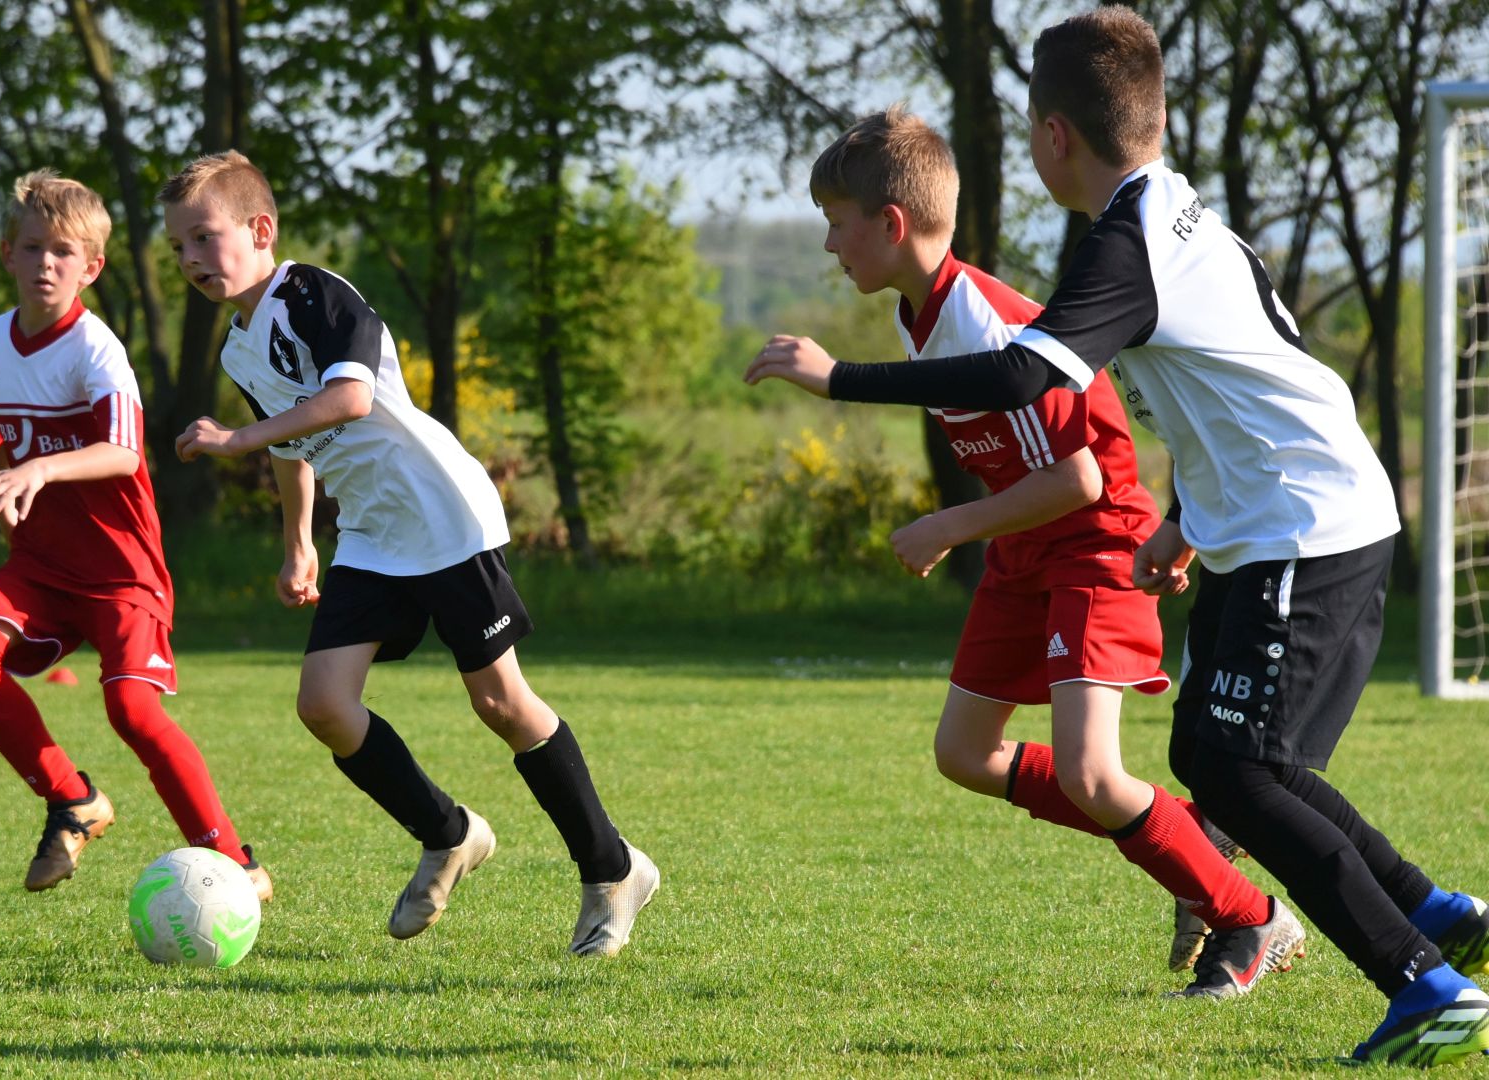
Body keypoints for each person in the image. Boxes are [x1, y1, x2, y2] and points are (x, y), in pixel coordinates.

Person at [747, 8, 1489, 1065]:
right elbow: (1226, 381)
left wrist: (841, 380)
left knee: (1238, 769)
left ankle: (1425, 984)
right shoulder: (1178, 213)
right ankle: (1441, 916)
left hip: (1305, 521)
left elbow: (1021, 375)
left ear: (1054, 136)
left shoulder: (1127, 244)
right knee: (1223, 759)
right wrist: (1184, 516)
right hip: (1264, 520)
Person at [751, 105, 1298, 996]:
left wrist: (946, 526)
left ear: (890, 225)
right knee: (965, 754)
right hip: (1025, 555)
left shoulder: (986, 322)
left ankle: (1249, 916)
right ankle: (1192, 831)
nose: (827, 243)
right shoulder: (913, 315)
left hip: (1096, 545)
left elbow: (1080, 479)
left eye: (834, 222)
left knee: (1090, 771)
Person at [158, 151, 658, 957]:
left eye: (203, 238)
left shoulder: (314, 293)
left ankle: (612, 868)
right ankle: (450, 833)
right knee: (324, 703)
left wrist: (235, 437)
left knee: (500, 705)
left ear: (260, 230)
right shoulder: (236, 348)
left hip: (441, 512)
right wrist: (296, 544)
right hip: (372, 533)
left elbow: (349, 399)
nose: (188, 259)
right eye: (177, 247)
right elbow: (296, 447)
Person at [0, 169, 269, 900]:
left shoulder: (96, 349)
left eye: (64, 252)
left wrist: (39, 472)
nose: (47, 264)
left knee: (131, 710)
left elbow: (124, 453)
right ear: (8, 255)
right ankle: (72, 798)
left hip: (122, 569)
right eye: (33, 248)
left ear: (92, 267)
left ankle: (232, 861)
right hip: (41, 566)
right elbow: (7, 443)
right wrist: (11, 485)